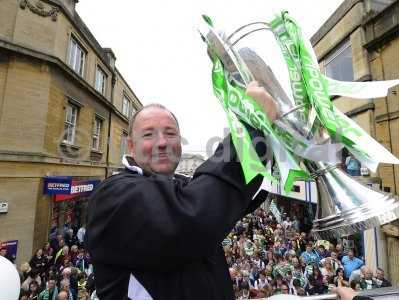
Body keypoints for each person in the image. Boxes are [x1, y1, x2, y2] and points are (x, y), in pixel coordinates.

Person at [86, 82, 278, 299]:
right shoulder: (111, 196)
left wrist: (274, 139)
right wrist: (251, 128)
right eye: (148, 135)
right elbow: (193, 215)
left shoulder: (182, 186)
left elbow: (223, 197)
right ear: (131, 147)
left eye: (170, 133)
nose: (162, 142)